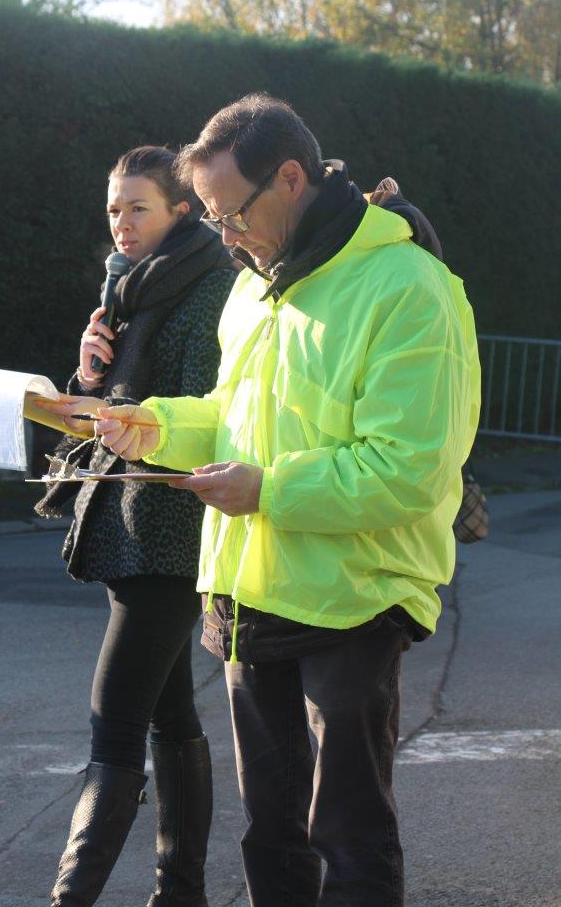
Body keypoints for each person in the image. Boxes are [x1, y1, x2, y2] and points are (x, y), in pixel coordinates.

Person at [47, 95, 481, 907]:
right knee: (270, 835)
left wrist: (269, 491)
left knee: (347, 836)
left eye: (229, 213)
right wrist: (149, 425)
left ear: (291, 178)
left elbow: (409, 469)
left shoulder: (409, 287)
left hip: (357, 596)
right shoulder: (251, 288)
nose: (223, 236)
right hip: (248, 593)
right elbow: (232, 419)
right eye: (209, 220)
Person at [35, 145, 236, 907]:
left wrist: (114, 411)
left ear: (181, 210)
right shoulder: (128, 291)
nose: (121, 223)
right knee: (170, 714)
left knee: (111, 728)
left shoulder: (209, 289)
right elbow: (111, 417)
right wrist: (88, 380)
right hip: (126, 526)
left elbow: (197, 416)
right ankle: (180, 894)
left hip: (169, 535)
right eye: (114, 208)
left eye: (138, 208)